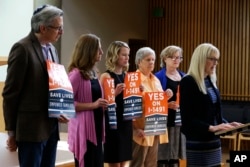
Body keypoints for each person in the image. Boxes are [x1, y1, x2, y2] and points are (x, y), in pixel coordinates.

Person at [2, 4, 68, 167]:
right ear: (42, 28)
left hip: (52, 128)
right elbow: (11, 94)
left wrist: (59, 109)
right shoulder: (22, 48)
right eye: (58, 28)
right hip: (31, 130)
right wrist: (11, 132)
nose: (61, 32)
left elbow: (53, 85)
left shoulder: (52, 49)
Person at [180, 43, 242, 167]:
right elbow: (187, 119)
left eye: (216, 60)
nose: (215, 63)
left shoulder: (210, 81)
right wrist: (210, 127)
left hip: (213, 142)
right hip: (198, 141)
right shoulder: (188, 81)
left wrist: (227, 124)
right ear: (201, 59)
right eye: (212, 59)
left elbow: (214, 113)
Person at [67, 33, 108, 167]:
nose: (101, 52)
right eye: (98, 49)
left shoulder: (94, 72)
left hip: (96, 126)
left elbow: (96, 99)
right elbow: (66, 104)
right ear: (89, 51)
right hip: (83, 130)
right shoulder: (76, 75)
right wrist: (93, 105)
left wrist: (103, 105)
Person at [130, 47, 173, 167]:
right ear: (139, 62)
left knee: (152, 164)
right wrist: (134, 129)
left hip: (155, 128)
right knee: (137, 164)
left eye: (153, 60)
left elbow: (156, 103)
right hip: (141, 129)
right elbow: (129, 107)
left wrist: (166, 97)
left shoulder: (156, 80)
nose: (151, 62)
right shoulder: (133, 79)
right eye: (148, 59)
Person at [100, 41, 132, 167]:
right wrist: (115, 93)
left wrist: (138, 91)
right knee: (114, 160)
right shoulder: (106, 76)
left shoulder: (128, 76)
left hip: (126, 123)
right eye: (123, 55)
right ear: (114, 55)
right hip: (113, 123)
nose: (127, 58)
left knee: (125, 161)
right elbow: (101, 103)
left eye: (128, 55)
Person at [155, 45, 186, 167]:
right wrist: (166, 104)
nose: (176, 60)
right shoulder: (158, 77)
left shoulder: (185, 77)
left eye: (178, 57)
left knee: (175, 156)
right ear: (164, 59)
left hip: (179, 120)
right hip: (164, 120)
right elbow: (153, 100)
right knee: (162, 156)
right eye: (172, 57)